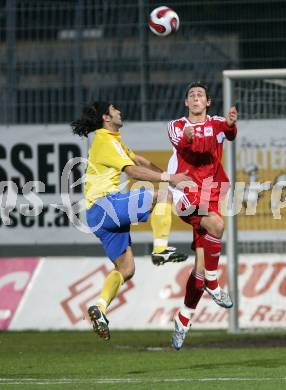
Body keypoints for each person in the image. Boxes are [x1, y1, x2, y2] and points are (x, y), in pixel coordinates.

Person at [71, 101, 190, 341]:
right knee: (163, 196)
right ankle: (160, 249)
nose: (120, 111)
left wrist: (168, 177)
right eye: (115, 109)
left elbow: (140, 161)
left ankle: (101, 308)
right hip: (106, 204)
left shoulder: (113, 141)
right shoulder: (105, 140)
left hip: (97, 216)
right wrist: (170, 179)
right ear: (106, 117)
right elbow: (133, 172)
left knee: (126, 269)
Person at [167, 82, 238, 350]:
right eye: (191, 95)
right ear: (186, 102)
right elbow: (191, 147)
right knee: (218, 225)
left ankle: (183, 318)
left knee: (198, 267)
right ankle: (213, 281)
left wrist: (230, 125)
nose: (196, 98)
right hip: (185, 190)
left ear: (208, 102)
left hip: (209, 193)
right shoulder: (176, 126)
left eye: (200, 95)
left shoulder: (218, 122)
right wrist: (189, 137)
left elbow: (229, 135)